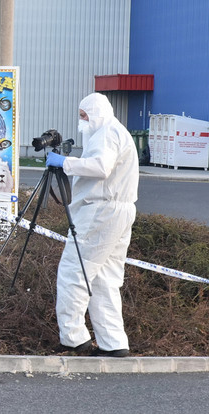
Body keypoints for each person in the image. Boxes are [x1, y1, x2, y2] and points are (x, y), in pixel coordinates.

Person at [45, 92, 139, 357]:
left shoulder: (107, 133)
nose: (81, 122)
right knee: (104, 279)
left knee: (73, 272)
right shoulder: (117, 131)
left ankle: (73, 339)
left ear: (96, 113)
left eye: (84, 116)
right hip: (118, 210)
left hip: (100, 209)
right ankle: (114, 343)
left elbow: (101, 167)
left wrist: (65, 162)